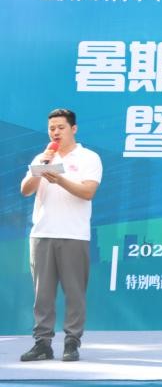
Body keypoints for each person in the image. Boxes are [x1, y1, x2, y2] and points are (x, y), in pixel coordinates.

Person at [19, 108, 103, 362]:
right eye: (52, 128)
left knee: (74, 293)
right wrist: (41, 168)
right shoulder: (42, 157)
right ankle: (42, 344)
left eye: (61, 127)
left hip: (74, 234)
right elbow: (25, 190)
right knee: (42, 294)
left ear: (73, 129)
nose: (55, 132)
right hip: (42, 233)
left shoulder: (89, 157)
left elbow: (88, 192)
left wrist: (60, 179)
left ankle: (72, 342)